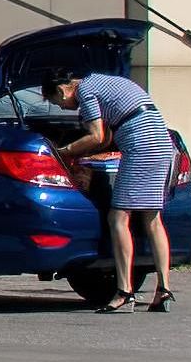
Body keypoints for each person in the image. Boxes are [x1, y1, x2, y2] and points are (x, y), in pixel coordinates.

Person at [52, 58, 179, 311]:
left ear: (61, 89)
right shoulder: (106, 82)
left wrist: (64, 151)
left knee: (118, 217)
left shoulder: (86, 91)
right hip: (163, 144)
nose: (63, 107)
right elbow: (109, 132)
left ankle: (124, 291)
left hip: (141, 147)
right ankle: (164, 289)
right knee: (152, 219)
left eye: (57, 101)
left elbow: (97, 136)